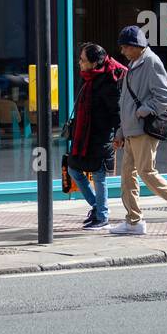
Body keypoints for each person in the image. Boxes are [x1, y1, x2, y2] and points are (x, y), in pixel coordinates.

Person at [111, 25, 167, 235]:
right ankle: (134, 221)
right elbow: (125, 102)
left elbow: (166, 95)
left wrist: (145, 110)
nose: (122, 51)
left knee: (146, 172)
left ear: (137, 46)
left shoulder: (151, 62)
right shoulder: (133, 63)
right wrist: (121, 132)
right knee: (127, 177)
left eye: (125, 47)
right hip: (131, 130)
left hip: (143, 129)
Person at [65, 43, 126, 229]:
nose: (79, 63)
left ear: (93, 63)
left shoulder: (108, 81)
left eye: (83, 60)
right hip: (84, 136)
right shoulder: (87, 77)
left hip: (101, 136)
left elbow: (116, 111)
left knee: (99, 176)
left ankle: (102, 215)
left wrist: (119, 133)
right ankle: (96, 206)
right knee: (73, 169)